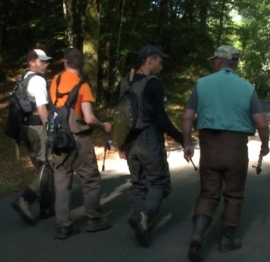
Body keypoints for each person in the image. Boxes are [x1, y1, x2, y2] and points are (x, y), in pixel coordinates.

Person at [182, 45, 269, 262]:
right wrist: (265, 146)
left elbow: (186, 117)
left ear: (220, 62)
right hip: (236, 148)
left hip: (210, 147)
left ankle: (197, 235)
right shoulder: (247, 88)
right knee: (234, 194)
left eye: (214, 60)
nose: (213, 63)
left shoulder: (202, 84)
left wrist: (187, 143)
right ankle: (226, 241)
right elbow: (261, 123)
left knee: (208, 193)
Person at [115, 45, 184, 247]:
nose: (161, 67)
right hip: (149, 139)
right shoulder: (153, 84)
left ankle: (141, 222)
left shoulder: (122, 84)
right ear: (150, 60)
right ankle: (143, 216)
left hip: (129, 140)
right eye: (160, 62)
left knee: (138, 184)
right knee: (160, 182)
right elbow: (161, 119)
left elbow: (118, 115)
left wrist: (120, 143)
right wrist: (180, 137)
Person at [49, 48, 112, 239]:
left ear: (65, 62)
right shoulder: (82, 86)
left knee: (61, 181)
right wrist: (104, 126)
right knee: (90, 178)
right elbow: (89, 118)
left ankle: (64, 225)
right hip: (78, 139)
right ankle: (93, 219)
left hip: (57, 138)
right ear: (81, 65)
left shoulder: (54, 81)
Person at [12, 49, 54, 223]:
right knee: (48, 167)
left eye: (46, 61)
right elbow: (42, 109)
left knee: (40, 168)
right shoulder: (37, 80)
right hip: (38, 128)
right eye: (42, 61)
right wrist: (50, 128)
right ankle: (25, 200)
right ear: (31, 62)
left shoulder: (22, 80)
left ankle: (46, 208)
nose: (46, 64)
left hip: (26, 129)